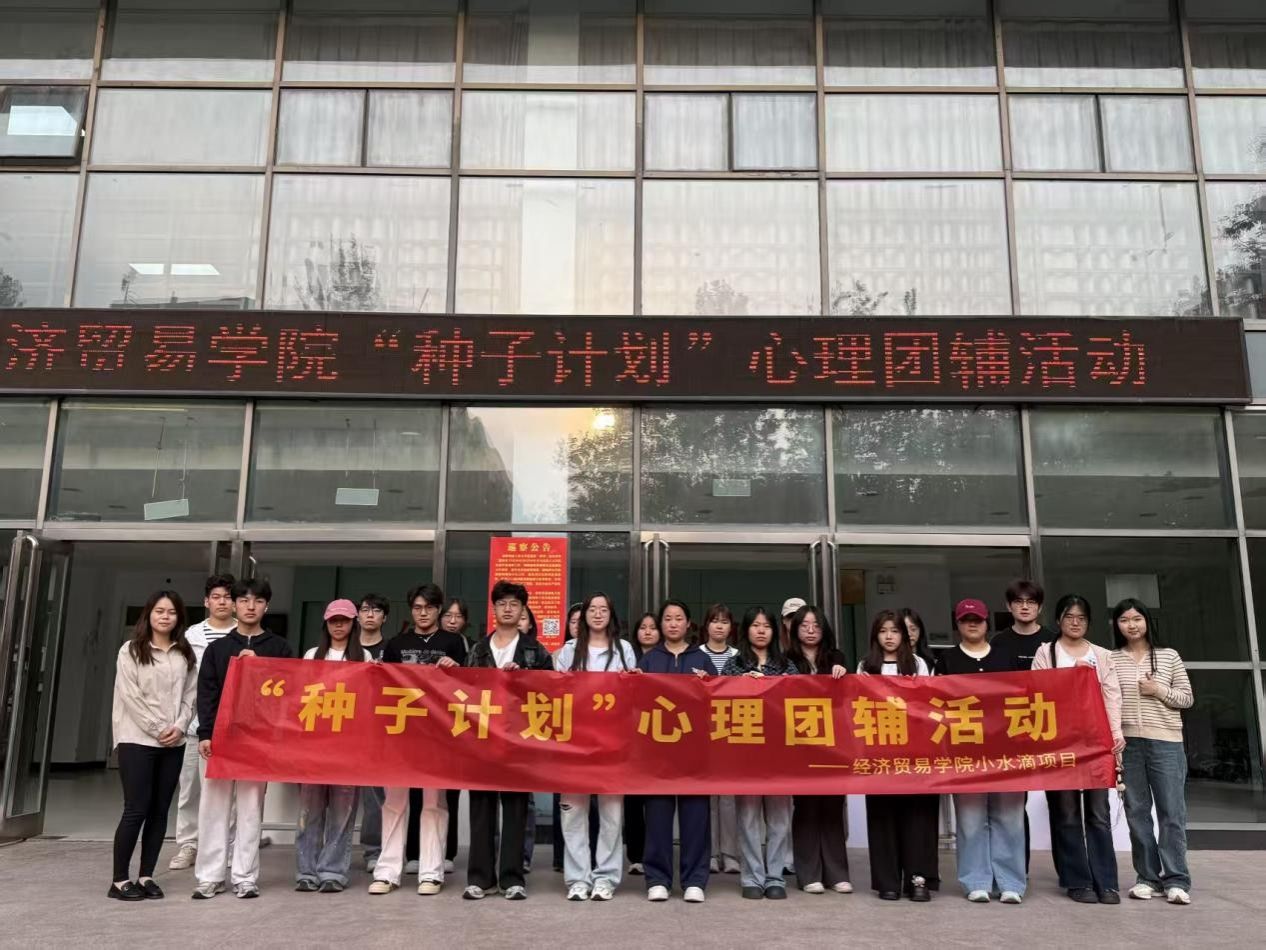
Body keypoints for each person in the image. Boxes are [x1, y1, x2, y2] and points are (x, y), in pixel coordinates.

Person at [193, 577, 294, 899]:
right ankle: (209, 876)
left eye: (258, 601)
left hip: (258, 740)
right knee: (214, 808)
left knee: (251, 808)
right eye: (244, 600)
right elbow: (207, 694)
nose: (251, 607)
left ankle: (245, 876)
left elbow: (287, 695)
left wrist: (259, 668)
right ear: (234, 605)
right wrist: (206, 733)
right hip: (221, 739)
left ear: (267, 606)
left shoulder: (280, 648)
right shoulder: (217, 649)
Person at [369, 582, 467, 897]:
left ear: (439, 610)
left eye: (429, 608)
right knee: (394, 803)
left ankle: (432, 872)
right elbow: (383, 687)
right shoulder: (397, 644)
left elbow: (467, 688)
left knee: (434, 803)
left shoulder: (454, 642)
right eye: (417, 608)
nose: (423, 613)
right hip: (401, 734)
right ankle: (387, 872)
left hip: (438, 735)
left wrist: (456, 668)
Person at [464, 580, 555, 900]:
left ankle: (513, 878)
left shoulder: (535, 651)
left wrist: (525, 679)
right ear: (494, 609)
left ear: (522, 610)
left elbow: (550, 692)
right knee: (481, 811)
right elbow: (464, 692)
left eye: (514, 604)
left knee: (516, 811)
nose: (507, 609)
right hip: (482, 741)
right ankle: (480, 878)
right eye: (502, 603)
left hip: (519, 743)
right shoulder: (478, 649)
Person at [1031, 594, 1125, 904]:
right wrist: (1072, 676)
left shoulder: (1102, 655)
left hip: (1096, 743)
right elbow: (1038, 692)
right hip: (1061, 743)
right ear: (1058, 620)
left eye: (1081, 618)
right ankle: (1077, 880)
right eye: (1069, 616)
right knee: (1067, 813)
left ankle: (1106, 881)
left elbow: (1112, 696)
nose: (1075, 622)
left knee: (1098, 812)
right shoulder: (1046, 652)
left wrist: (1115, 735)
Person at [936, 598, 1025, 905]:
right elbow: (936, 705)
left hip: (1007, 751)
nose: (972, 624)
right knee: (971, 821)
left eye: (977, 619)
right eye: (965, 620)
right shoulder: (947, 661)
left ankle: (1011, 882)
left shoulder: (1006, 656)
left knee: (1010, 819)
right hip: (965, 753)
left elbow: (1023, 699)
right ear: (957, 624)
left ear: (987, 623)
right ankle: (976, 881)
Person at [109, 590, 196, 901]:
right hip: (137, 739)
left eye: (171, 612)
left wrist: (180, 726)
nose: (165, 617)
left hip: (174, 741)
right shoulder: (131, 650)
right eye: (159, 611)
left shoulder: (184, 654)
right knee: (136, 808)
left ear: (178, 617)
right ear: (149, 614)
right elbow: (130, 696)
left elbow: (190, 696)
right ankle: (119, 880)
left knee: (160, 811)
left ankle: (146, 876)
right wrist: (159, 729)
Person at [553, 592, 639, 901]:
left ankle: (605, 878)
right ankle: (578, 879)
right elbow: (555, 693)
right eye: (593, 609)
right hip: (575, 745)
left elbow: (633, 696)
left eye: (604, 609)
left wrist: (634, 680)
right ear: (584, 615)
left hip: (612, 745)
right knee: (573, 814)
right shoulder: (568, 651)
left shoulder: (624, 649)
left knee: (611, 815)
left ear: (611, 615)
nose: (598, 614)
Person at [1111, 599, 1194, 905]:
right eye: (1124, 620)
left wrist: (1158, 690)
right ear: (1116, 625)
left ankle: (1176, 879)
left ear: (1147, 621)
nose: (1131, 625)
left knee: (1172, 813)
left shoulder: (1169, 656)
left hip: (1166, 743)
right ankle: (1147, 878)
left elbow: (1187, 698)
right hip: (1129, 744)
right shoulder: (1111, 659)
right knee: (1137, 813)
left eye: (1137, 618)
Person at [859, 610, 937, 902]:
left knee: (915, 817)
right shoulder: (866, 665)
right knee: (882, 815)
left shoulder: (917, 664)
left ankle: (918, 878)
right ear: (875, 636)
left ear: (904, 635)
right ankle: (887, 880)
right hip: (879, 750)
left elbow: (927, 703)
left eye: (894, 631)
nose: (889, 637)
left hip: (914, 750)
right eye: (883, 631)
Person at [639, 599, 713, 903]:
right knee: (657, 816)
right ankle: (658, 879)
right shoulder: (649, 660)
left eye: (678, 618)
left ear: (688, 624)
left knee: (696, 817)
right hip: (657, 752)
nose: (673, 623)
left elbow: (717, 701)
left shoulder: (702, 659)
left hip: (694, 752)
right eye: (667, 618)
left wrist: (708, 684)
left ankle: (695, 880)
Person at [721, 607, 795, 900]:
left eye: (766, 626)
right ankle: (752, 876)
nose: (761, 630)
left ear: (774, 631)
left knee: (779, 818)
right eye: (755, 625)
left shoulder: (787, 665)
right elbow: (720, 704)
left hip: (780, 752)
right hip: (746, 752)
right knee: (748, 817)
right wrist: (743, 685)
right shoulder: (733, 665)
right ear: (746, 630)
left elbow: (801, 702)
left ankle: (775, 876)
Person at [296, 600, 366, 893]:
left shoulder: (364, 656)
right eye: (334, 620)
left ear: (353, 623)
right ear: (325, 623)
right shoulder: (312, 655)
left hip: (348, 747)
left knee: (342, 813)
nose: (339, 625)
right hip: (314, 746)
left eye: (345, 620)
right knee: (309, 811)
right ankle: (306, 871)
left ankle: (332, 872)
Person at [169, 574, 236, 872]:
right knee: (190, 789)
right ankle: (189, 844)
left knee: (229, 791)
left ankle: (227, 845)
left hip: (233, 727)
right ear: (207, 601)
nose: (222, 602)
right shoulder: (190, 636)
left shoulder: (243, 635)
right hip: (195, 724)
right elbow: (179, 680)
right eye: (216, 597)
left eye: (228, 597)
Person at [785, 604, 851, 896]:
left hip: (833, 744)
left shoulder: (836, 657)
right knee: (806, 807)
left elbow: (849, 696)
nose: (810, 631)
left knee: (833, 806)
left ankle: (837, 873)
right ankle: (808, 873)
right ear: (795, 629)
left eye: (816, 625)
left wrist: (844, 673)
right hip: (799, 743)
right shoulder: (787, 659)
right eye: (804, 625)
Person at [699, 603, 739, 876]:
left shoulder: (738, 656)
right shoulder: (696, 655)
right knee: (708, 799)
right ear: (707, 625)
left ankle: (731, 854)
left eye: (724, 622)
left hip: (733, 732)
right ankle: (711, 854)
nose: (719, 626)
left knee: (729, 799)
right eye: (715, 621)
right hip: (703, 734)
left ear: (731, 627)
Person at [625, 612, 662, 876]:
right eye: (643, 627)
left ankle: (656, 853)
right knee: (633, 801)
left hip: (660, 737)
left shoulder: (664, 660)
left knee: (656, 802)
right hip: (631, 738)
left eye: (653, 627)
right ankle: (636, 855)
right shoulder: (628, 657)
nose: (648, 632)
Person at [356, 593, 389, 873]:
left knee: (374, 796)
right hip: (343, 726)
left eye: (376, 610)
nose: (370, 615)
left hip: (376, 730)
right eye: (365, 610)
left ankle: (374, 850)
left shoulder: (390, 649)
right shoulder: (345, 647)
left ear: (384, 617)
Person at [439, 596, 472, 875]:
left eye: (457, 616)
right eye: (448, 616)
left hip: (455, 726)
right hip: (423, 725)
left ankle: (447, 852)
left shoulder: (468, 646)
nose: (452, 621)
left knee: (449, 793)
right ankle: (415, 853)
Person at [991, 579, 1057, 671]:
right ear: (1009, 606)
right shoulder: (998, 642)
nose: (1025, 607)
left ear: (1040, 608)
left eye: (1031, 602)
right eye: (1018, 601)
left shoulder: (1053, 640)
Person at [899, 606, 936, 672]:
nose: (909, 634)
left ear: (920, 631)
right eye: (904, 630)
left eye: (913, 629)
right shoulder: (892, 661)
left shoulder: (928, 660)